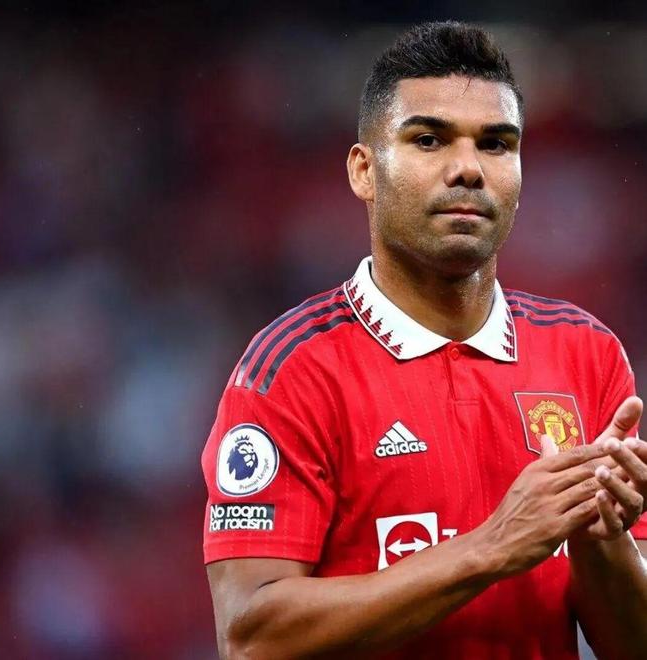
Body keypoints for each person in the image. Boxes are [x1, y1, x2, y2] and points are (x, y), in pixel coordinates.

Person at [201, 21, 647, 659]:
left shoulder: (585, 354)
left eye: (496, 144)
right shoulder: (292, 370)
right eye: (430, 140)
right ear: (364, 170)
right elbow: (250, 638)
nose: (467, 169)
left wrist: (602, 543)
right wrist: (491, 547)